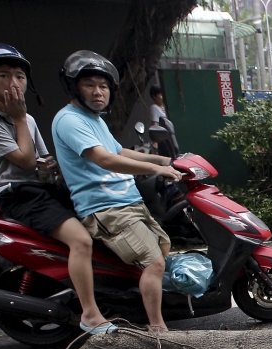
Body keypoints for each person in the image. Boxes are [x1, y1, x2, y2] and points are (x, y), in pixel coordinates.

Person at [0, 43, 115, 334]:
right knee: (81, 241)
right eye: (4, 75)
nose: (13, 83)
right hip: (16, 193)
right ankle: (91, 315)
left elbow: (42, 159)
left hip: (40, 188)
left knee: (105, 213)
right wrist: (17, 119)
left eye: (19, 76)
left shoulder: (26, 118)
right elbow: (26, 162)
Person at [52, 51, 182, 331]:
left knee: (163, 247)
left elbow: (118, 150)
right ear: (74, 86)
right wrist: (156, 169)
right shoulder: (69, 120)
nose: (99, 92)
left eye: (104, 85)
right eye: (90, 85)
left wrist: (163, 160)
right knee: (155, 263)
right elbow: (104, 159)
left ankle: (140, 302)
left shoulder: (95, 120)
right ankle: (159, 329)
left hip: (126, 201)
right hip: (106, 207)